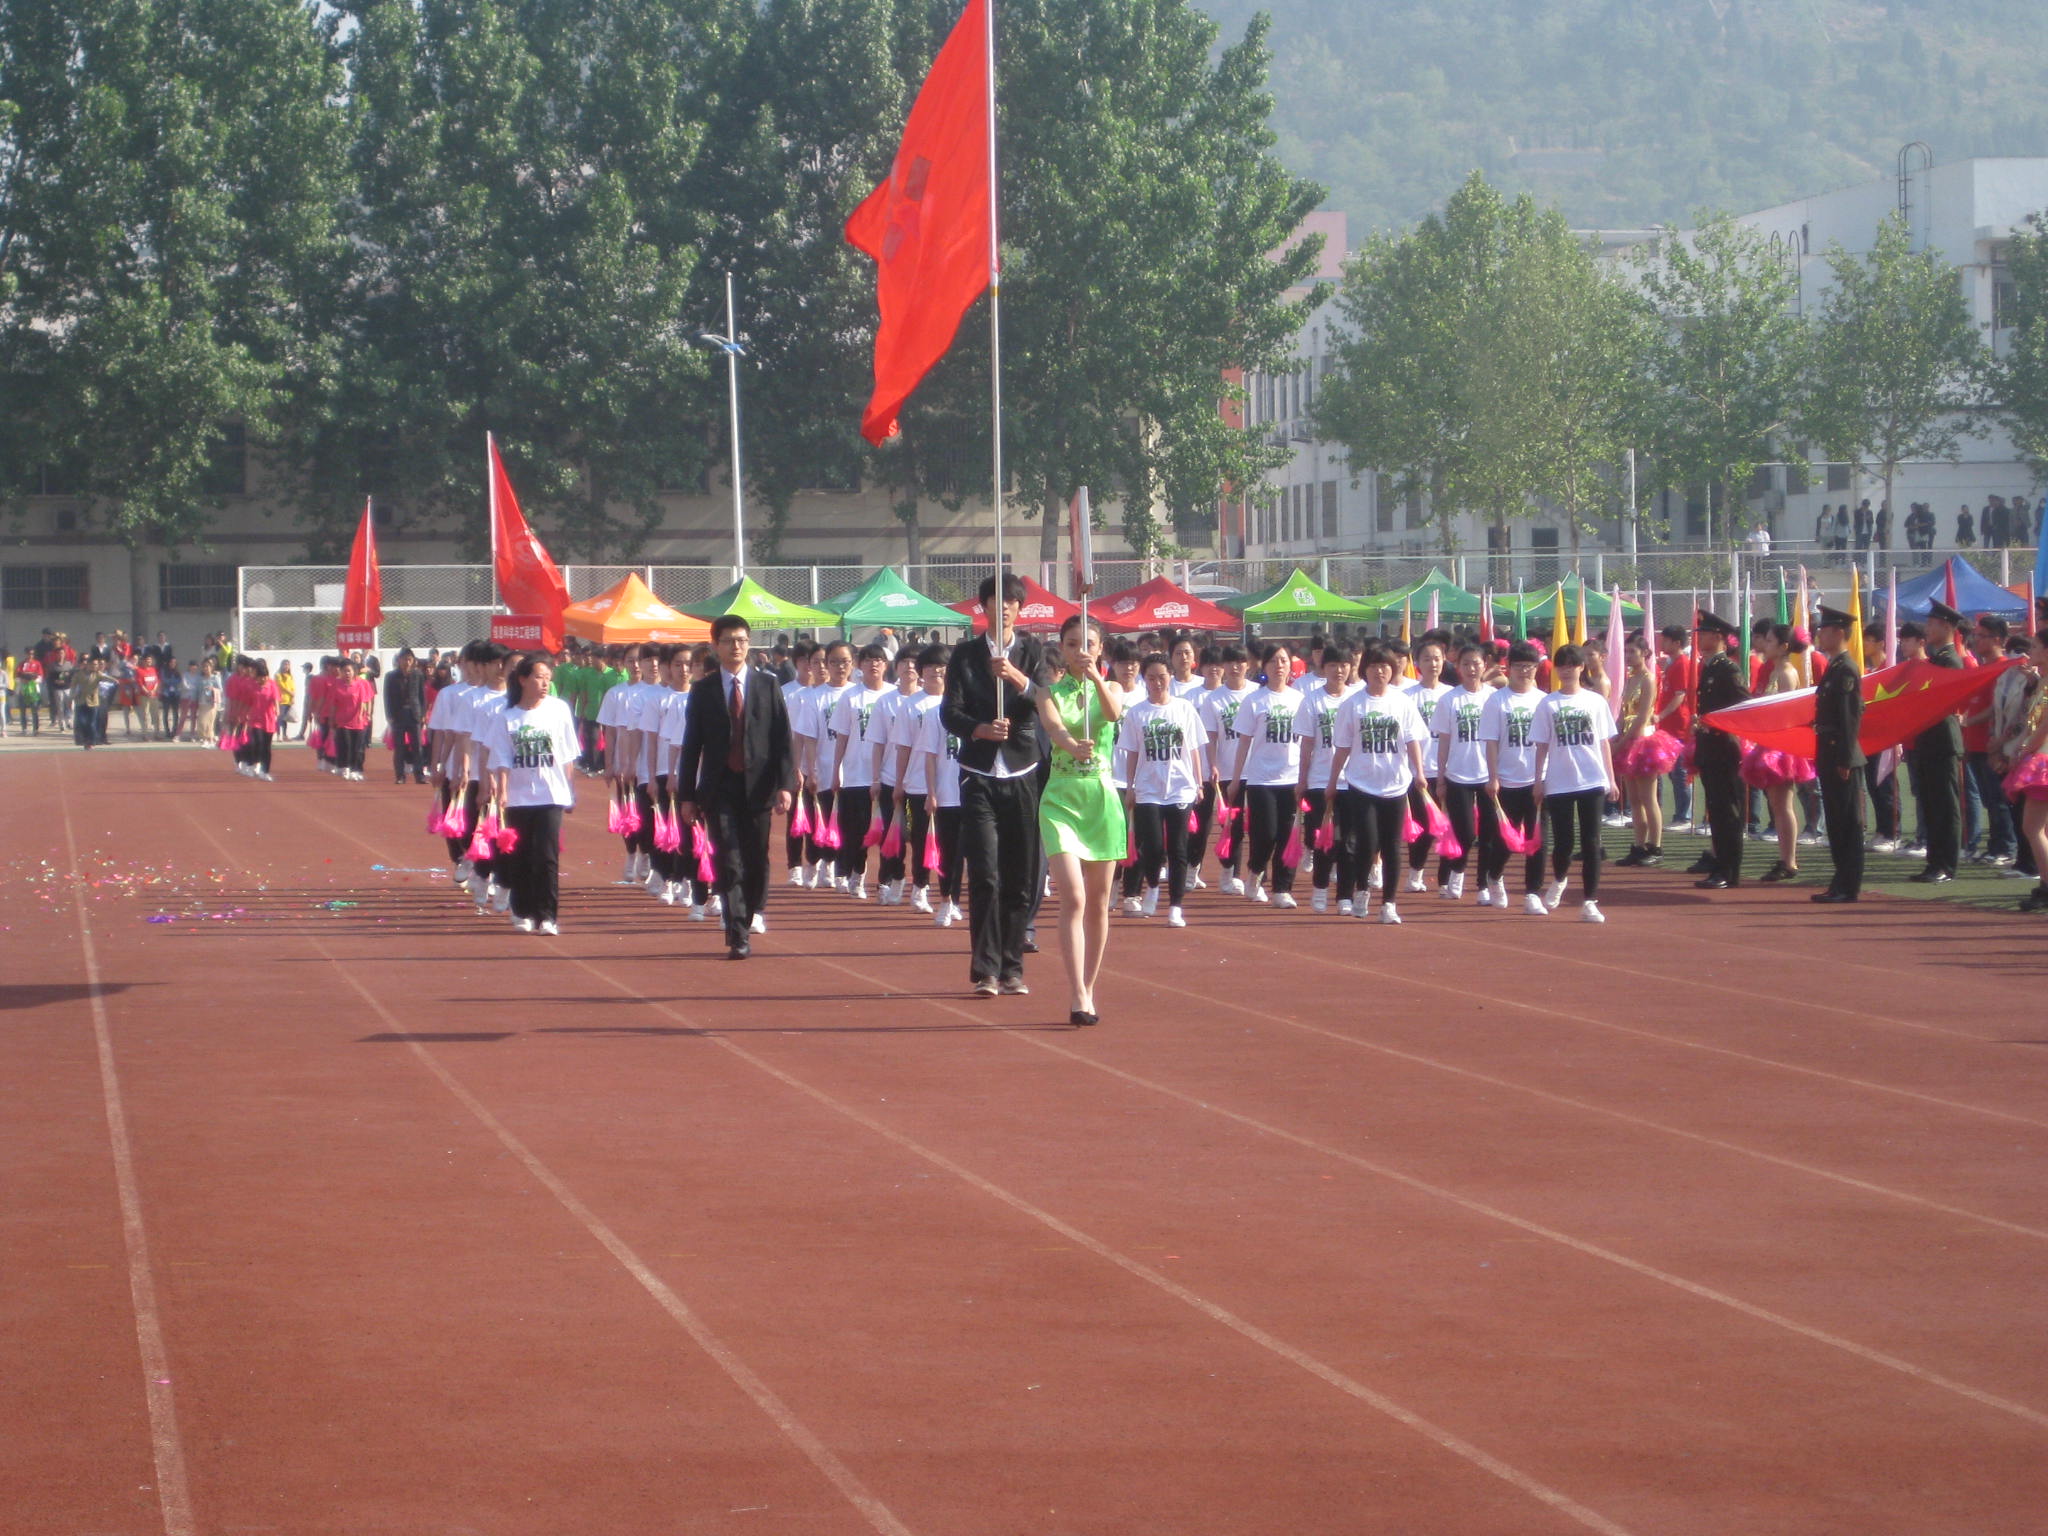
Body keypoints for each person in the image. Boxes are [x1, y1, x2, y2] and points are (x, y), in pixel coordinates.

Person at [940, 573, 1053, 998]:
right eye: (995, 600)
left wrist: (1017, 678)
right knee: (985, 873)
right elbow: (949, 712)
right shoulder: (965, 655)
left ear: (1019, 609)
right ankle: (985, 970)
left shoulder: (1033, 651)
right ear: (983, 606)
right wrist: (979, 729)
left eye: (1011, 601)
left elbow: (1046, 701)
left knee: (1020, 875)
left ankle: (1012, 967)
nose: (1003, 607)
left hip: (1023, 772)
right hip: (980, 775)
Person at [676, 615, 795, 959]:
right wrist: (687, 796)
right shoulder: (704, 690)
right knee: (729, 859)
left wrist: (785, 785)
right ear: (716, 645)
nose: (736, 647)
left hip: (759, 786)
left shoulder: (767, 685)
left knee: (756, 858)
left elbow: (782, 739)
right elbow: (691, 745)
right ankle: (737, 932)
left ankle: (753, 908)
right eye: (728, 641)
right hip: (720, 787)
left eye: (742, 640)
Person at [1035, 613, 1125, 1024]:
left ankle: (1090, 986)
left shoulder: (1112, 686)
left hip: (1101, 800)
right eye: (1072, 644)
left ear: (1100, 648)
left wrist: (1096, 679)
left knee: (1100, 901)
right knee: (1073, 896)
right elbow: (1055, 729)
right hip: (1061, 799)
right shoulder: (1048, 693)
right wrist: (1072, 746)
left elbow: (1113, 713)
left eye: (1087, 643)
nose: (1079, 651)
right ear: (1062, 648)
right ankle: (1076, 992)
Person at [1324, 642, 1437, 925]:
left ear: (1393, 669)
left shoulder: (1402, 702)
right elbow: (1342, 747)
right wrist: (1332, 781)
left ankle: (1389, 903)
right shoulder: (1353, 704)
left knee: (1392, 846)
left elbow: (1412, 739)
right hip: (1361, 784)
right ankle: (1362, 889)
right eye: (1374, 666)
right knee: (1367, 842)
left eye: (1385, 666)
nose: (1380, 672)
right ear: (1365, 670)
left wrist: (1419, 773)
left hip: (1395, 785)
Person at [1530, 644, 1619, 922]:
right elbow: (1541, 746)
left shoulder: (1595, 701)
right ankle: (1559, 878)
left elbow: (1603, 742)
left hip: (1592, 779)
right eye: (1562, 665)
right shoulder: (1548, 703)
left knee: (1592, 841)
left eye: (1572, 665)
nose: (1567, 670)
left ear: (1582, 668)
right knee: (1563, 843)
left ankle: (1590, 901)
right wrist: (1538, 780)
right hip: (1559, 781)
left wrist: (1611, 779)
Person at [1119, 651, 1207, 928]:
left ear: (1170, 676)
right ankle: (1153, 886)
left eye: (1162, 677)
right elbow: (1132, 752)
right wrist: (1130, 786)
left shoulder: (1184, 708)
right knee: (1153, 847)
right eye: (1151, 678)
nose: (1157, 683)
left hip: (1180, 787)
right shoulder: (1137, 713)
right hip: (1148, 789)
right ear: (1144, 680)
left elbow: (1193, 748)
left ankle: (1175, 907)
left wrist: (1198, 782)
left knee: (1178, 849)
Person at [1226, 642, 1304, 906]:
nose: (1279, 666)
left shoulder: (1299, 699)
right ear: (1264, 666)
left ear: (1290, 665)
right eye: (1273, 661)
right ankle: (1255, 873)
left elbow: (1308, 742)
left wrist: (1306, 776)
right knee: (1266, 834)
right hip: (1261, 779)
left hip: (1291, 778)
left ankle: (1282, 889)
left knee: (1288, 835)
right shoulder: (1254, 700)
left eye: (1283, 660)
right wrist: (1236, 779)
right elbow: (1243, 743)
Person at [1740, 624, 1816, 883]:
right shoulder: (1774, 671)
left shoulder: (1786, 673)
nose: (1766, 644)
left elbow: (1786, 715)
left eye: (1771, 641)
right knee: (1778, 805)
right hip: (1769, 743)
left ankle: (1789, 860)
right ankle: (1785, 858)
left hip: (1780, 747)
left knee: (1782, 805)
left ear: (1784, 646)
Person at [1293, 641, 1359, 912]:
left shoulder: (1357, 699)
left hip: (1354, 781)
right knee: (1324, 840)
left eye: (1344, 665)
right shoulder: (1312, 700)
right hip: (1320, 780)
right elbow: (1307, 744)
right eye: (1333, 665)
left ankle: (1345, 896)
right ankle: (1320, 888)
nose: (1339, 671)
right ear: (1324, 667)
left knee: (1349, 843)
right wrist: (1302, 780)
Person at [1807, 607, 1867, 903]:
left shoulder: (1846, 669)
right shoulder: (1835, 666)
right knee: (1835, 819)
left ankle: (1848, 883)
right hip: (1828, 749)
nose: (1820, 634)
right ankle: (1840, 879)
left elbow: (1849, 717)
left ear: (1840, 633)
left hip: (1840, 753)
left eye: (1825, 630)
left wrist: (1844, 758)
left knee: (1846, 821)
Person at [1429, 641, 1495, 901]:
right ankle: (1456, 872)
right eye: (1465, 664)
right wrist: (1441, 777)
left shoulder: (1493, 697)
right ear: (1457, 667)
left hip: (1489, 774)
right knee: (1464, 832)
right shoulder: (1449, 700)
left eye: (1476, 663)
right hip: (1458, 774)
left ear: (1484, 665)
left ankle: (1483, 885)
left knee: (1488, 834)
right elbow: (1444, 741)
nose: (1471, 669)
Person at [1908, 601, 1968, 882]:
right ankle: (1934, 862)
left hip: (1942, 740)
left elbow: (1941, 700)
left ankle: (1946, 864)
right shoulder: (1936, 658)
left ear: (1946, 626)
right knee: (1932, 804)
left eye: (1932, 624)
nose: (1927, 628)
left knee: (1945, 806)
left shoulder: (1949, 660)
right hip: (1929, 739)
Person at [1692, 613, 1750, 889]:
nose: (1700, 638)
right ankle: (1720, 866)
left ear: (1718, 637)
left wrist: (1717, 722)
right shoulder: (1710, 667)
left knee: (1727, 812)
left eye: (1704, 633)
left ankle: (1728, 870)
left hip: (1724, 748)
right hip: (1710, 748)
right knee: (1716, 810)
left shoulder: (1728, 669)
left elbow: (1742, 706)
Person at [1616, 635, 1682, 867]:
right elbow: (1623, 713)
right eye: (1626, 652)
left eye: (1632, 652)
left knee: (1648, 797)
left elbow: (1643, 716)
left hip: (1643, 742)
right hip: (1628, 741)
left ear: (1645, 653)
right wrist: (1617, 735)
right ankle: (1639, 845)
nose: (1628, 656)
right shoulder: (1630, 679)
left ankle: (1656, 846)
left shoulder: (1648, 679)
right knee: (1634, 799)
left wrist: (1622, 742)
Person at [1962, 616, 2018, 865]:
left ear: (1997, 639)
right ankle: (1995, 845)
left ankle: (2006, 847)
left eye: (1981, 636)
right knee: (1989, 799)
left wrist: (1968, 722)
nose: (1976, 640)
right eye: (1975, 635)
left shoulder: (2004, 668)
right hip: (1975, 743)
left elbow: (1998, 708)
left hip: (1992, 744)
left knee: (1998, 799)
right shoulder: (1980, 667)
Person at [2000, 629, 2048, 911]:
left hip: (2043, 759)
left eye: (2036, 646)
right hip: (2040, 755)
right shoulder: (2041, 682)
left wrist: (2026, 748)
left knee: (2032, 827)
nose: (2031, 651)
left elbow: (2045, 724)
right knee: (2038, 827)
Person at [384, 648, 429, 784]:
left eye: (410, 660)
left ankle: (419, 775)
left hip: (414, 714)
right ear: (399, 660)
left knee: (417, 747)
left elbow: (422, 696)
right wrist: (389, 715)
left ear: (413, 661)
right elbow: (387, 697)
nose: (407, 662)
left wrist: (423, 714)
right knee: (399, 747)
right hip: (398, 714)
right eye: (404, 659)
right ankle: (400, 776)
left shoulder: (418, 674)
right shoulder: (391, 676)